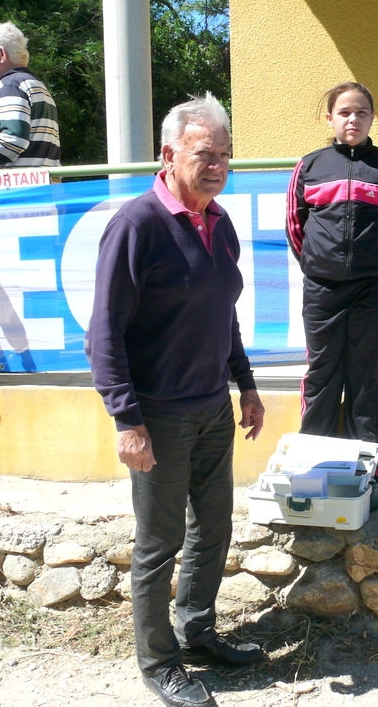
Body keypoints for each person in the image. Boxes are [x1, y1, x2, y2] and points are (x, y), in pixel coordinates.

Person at [89, 93, 266, 707]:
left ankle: (195, 633)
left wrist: (245, 385)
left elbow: (225, 314)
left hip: (213, 407)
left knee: (212, 529)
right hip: (158, 415)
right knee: (159, 542)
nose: (216, 164)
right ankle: (158, 663)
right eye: (203, 153)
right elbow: (104, 332)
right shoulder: (136, 225)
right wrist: (126, 419)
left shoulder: (220, 223)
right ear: (169, 155)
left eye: (225, 154)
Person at [286, 82, 378, 452]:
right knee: (322, 372)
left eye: (361, 112)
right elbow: (296, 227)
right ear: (331, 118)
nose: (353, 119)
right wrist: (317, 266)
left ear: (373, 118)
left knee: (364, 374)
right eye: (344, 112)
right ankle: (312, 455)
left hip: (374, 289)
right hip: (322, 288)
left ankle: (368, 461)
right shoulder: (309, 166)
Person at [0, 21, 60, 168]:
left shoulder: (10, 86)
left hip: (17, 189)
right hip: (42, 186)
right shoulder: (35, 85)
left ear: (1, 54)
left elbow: (10, 141)